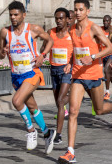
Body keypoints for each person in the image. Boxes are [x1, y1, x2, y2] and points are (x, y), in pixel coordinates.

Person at [58, 0, 112, 163]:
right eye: (76, 10)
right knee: (73, 112)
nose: (78, 13)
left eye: (81, 9)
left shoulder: (94, 28)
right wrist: (68, 63)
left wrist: (93, 57)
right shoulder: (72, 30)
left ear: (87, 11)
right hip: (78, 75)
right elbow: (75, 50)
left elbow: (110, 48)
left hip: (94, 75)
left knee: (99, 109)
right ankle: (70, 152)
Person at [0, 1, 56, 154]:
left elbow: (50, 40)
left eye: (16, 14)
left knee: (16, 101)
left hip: (32, 73)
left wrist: (42, 56)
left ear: (24, 15)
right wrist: (3, 52)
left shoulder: (33, 29)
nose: (13, 17)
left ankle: (31, 131)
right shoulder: (5, 32)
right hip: (16, 75)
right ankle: (47, 133)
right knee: (31, 107)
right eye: (11, 14)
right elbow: (0, 53)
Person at [41, 8, 72, 145]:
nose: (59, 21)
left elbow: (77, 52)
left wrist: (70, 63)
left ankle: (58, 134)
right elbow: (43, 48)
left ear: (67, 19)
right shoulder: (50, 32)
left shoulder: (72, 33)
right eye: (57, 18)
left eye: (61, 18)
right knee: (58, 103)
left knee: (60, 101)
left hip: (67, 70)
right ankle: (75, 95)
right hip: (54, 70)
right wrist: (42, 52)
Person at [101, 15, 112, 100]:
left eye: (107, 21)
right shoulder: (100, 29)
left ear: (110, 22)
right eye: (104, 21)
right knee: (111, 75)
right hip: (103, 54)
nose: (105, 23)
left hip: (111, 54)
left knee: (106, 69)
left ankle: (107, 92)